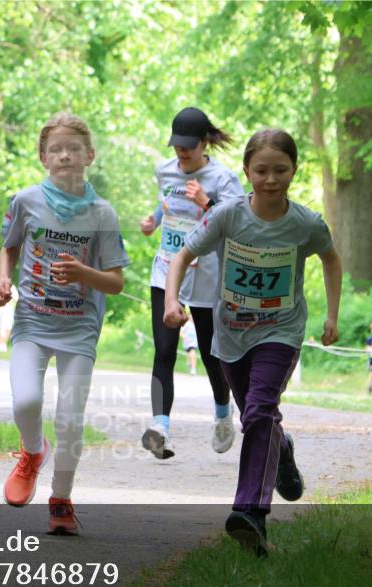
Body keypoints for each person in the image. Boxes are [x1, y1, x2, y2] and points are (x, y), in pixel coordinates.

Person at [164, 128, 342, 555]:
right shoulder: (227, 216)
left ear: (294, 170)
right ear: (246, 171)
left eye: (281, 170)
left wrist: (332, 315)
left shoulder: (305, 223)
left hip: (280, 332)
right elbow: (183, 256)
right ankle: (281, 449)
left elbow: (331, 259)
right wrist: (172, 300)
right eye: (261, 170)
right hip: (231, 334)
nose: (271, 179)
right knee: (257, 417)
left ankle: (250, 514)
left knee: (260, 409)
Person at [0, 112, 129, 535]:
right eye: (56, 149)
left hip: (78, 328)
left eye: (74, 148)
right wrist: (2, 280)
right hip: (32, 322)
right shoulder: (25, 201)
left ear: (89, 155)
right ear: (43, 157)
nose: (65, 155)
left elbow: (116, 282)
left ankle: (61, 499)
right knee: (25, 402)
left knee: (70, 419)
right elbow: (9, 247)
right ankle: (33, 451)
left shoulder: (102, 214)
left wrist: (83, 274)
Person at [139, 107, 245, 459]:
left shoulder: (223, 178)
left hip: (207, 277)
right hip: (166, 269)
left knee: (211, 354)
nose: (181, 152)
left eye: (188, 146)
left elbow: (238, 225)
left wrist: (207, 202)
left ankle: (222, 414)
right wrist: (154, 220)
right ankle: (160, 428)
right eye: (177, 145)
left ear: (204, 143)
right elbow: (167, 202)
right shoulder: (164, 170)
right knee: (164, 349)